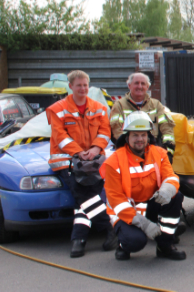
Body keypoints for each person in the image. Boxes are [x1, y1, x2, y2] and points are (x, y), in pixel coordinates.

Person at [46, 70, 116, 258]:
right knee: (84, 195)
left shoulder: (99, 108)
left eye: (85, 85)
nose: (83, 88)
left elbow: (104, 132)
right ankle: (110, 229)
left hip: (92, 160)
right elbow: (60, 136)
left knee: (83, 201)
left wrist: (93, 150)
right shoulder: (57, 109)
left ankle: (79, 239)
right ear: (70, 87)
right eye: (79, 85)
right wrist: (78, 153)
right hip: (67, 161)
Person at [102, 111, 186, 260]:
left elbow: (171, 177)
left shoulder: (159, 153)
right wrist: (144, 224)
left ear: (149, 136)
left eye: (143, 135)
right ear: (126, 137)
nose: (140, 139)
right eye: (135, 135)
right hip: (126, 213)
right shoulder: (113, 162)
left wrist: (167, 190)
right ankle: (123, 244)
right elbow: (117, 201)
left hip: (151, 205)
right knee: (136, 241)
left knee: (175, 196)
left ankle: (165, 245)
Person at [110, 73, 176, 159]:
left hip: (152, 148)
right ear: (129, 85)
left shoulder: (156, 105)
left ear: (147, 87)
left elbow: (167, 127)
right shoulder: (119, 105)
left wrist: (168, 148)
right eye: (136, 83)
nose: (140, 86)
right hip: (128, 150)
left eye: (143, 84)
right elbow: (117, 130)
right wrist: (129, 148)